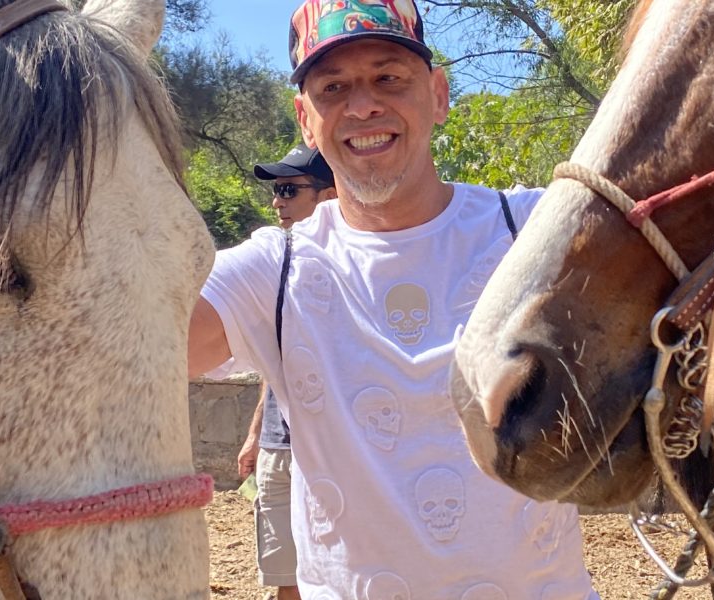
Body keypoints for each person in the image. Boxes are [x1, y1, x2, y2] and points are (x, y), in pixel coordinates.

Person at [187, 0, 596, 596]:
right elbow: (144, 346)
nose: (362, 105)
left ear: (438, 95)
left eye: (388, 78)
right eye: (333, 87)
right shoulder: (275, 270)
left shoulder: (535, 229)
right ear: (306, 119)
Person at [238, 145, 337, 600]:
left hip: (333, 457)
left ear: (329, 195)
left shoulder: (360, 271)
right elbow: (271, 361)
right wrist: (257, 433)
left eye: (289, 190)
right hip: (279, 448)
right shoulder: (274, 268)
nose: (277, 201)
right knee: (285, 581)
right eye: (276, 191)